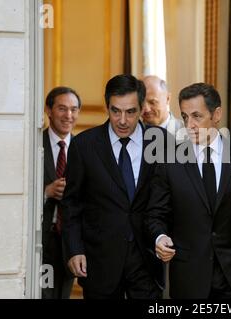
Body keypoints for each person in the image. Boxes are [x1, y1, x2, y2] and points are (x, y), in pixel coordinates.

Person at [145, 83, 231, 299]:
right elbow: (155, 213)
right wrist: (159, 237)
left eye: (197, 116)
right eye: (185, 117)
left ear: (216, 114)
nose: (190, 125)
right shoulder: (169, 161)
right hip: (189, 277)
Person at [61, 74, 164, 299]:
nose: (123, 120)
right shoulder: (84, 145)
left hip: (147, 261)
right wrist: (74, 248)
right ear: (107, 106)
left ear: (142, 108)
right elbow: (71, 204)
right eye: (116, 111)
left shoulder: (161, 142)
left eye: (130, 112)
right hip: (100, 261)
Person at [42, 86, 81, 299]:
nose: (69, 115)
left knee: (62, 294)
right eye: (62, 109)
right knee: (42, 292)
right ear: (49, 110)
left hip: (68, 241)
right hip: (41, 240)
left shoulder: (84, 149)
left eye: (74, 110)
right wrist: (46, 192)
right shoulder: (33, 145)